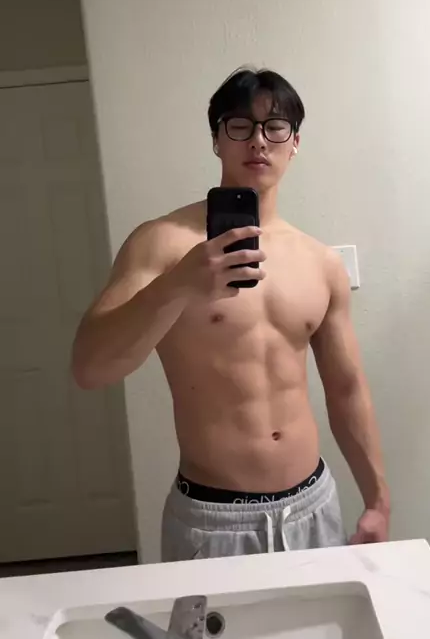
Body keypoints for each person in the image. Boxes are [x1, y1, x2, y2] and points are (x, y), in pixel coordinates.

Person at [72, 66, 390, 561]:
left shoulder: (320, 263)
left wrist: (377, 498)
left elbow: (347, 389)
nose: (258, 141)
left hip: (313, 507)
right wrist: (179, 283)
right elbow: (90, 368)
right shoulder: (162, 244)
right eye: (240, 125)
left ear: (295, 142)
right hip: (213, 520)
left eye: (275, 127)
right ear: (217, 140)